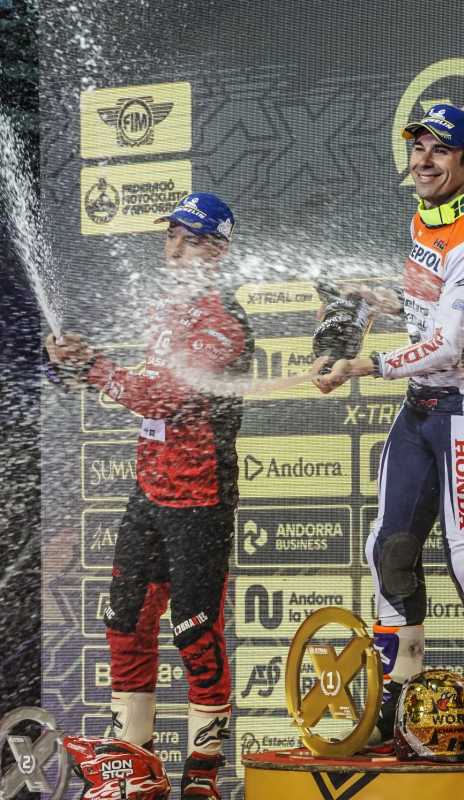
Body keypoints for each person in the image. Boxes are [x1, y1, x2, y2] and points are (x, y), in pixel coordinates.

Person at [316, 103, 464, 755]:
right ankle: (396, 693)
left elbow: (449, 343)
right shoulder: (424, 221)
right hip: (422, 405)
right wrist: (374, 302)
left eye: (440, 150)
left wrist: (364, 364)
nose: (424, 161)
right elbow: (428, 308)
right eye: (417, 147)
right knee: (389, 546)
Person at [46, 193, 254, 798]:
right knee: (126, 622)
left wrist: (95, 367)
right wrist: (70, 361)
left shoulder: (224, 321)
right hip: (148, 492)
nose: (174, 249)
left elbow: (161, 397)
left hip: (200, 500)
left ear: (218, 250)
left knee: (194, 631)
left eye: (190, 239)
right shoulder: (167, 308)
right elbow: (136, 381)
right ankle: (131, 764)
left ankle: (203, 774)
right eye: (171, 236)